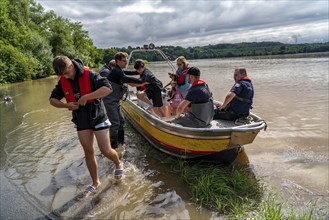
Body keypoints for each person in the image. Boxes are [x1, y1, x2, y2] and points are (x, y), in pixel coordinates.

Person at [49, 55, 123, 196]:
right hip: (81, 120)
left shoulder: (91, 75)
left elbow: (107, 89)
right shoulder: (63, 80)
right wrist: (66, 105)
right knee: (88, 151)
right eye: (62, 75)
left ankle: (118, 164)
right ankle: (95, 182)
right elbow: (52, 100)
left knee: (105, 150)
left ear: (71, 66)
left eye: (66, 73)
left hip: (98, 116)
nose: (65, 77)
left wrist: (87, 97)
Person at [104, 52, 147, 149]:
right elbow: (126, 78)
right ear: (117, 61)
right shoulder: (116, 72)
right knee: (115, 123)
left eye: (126, 60)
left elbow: (130, 73)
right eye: (124, 60)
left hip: (115, 101)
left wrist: (140, 71)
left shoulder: (119, 70)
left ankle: (121, 143)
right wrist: (142, 81)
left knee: (121, 121)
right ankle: (113, 146)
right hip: (109, 101)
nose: (126, 62)